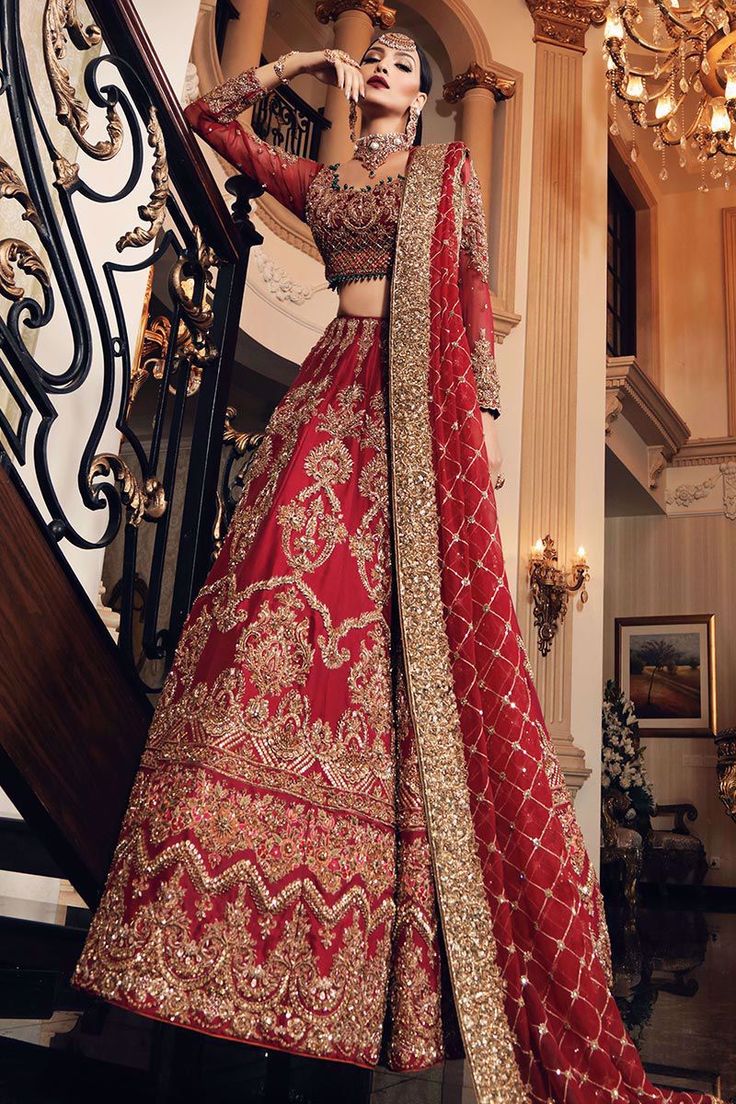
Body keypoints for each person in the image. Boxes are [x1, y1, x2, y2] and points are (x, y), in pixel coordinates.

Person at [71, 32, 722, 1104]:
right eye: (370, 53)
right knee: (268, 607)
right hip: (324, 394)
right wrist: (298, 65)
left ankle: (354, 946)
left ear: (423, 100)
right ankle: (222, 928)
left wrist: (476, 432)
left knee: (380, 650)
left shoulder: (445, 174)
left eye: (399, 61)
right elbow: (207, 123)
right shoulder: (323, 180)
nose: (379, 62)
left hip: (406, 418)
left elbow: (466, 289)